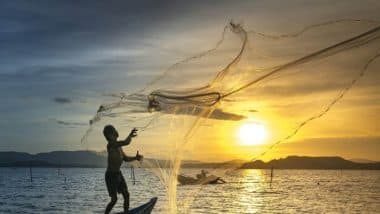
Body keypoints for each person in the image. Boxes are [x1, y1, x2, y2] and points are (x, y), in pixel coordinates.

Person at [103, 125, 143, 214]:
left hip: (118, 174)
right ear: (108, 136)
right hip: (110, 176)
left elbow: (125, 158)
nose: (114, 133)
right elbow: (126, 142)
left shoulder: (119, 146)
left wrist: (135, 158)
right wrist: (130, 135)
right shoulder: (111, 145)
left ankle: (126, 213)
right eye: (111, 133)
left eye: (114, 131)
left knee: (126, 195)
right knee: (114, 199)